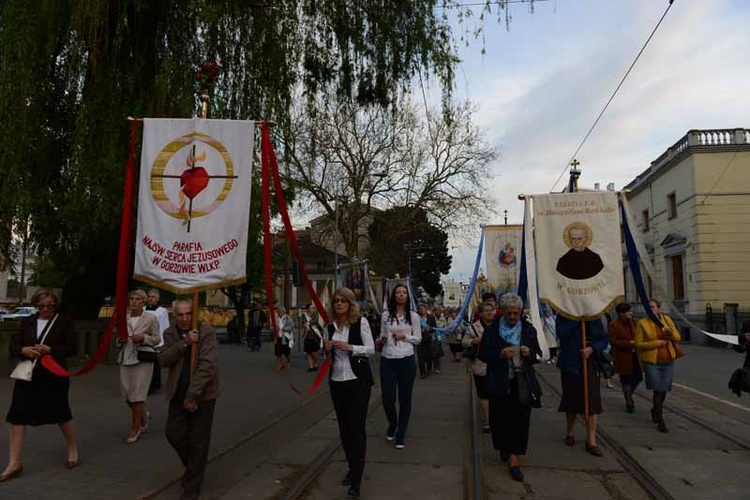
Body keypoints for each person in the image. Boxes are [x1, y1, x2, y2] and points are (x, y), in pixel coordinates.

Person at [1, 289, 78, 482]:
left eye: (49, 305)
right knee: (17, 415)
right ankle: (14, 462)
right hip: (28, 374)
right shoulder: (27, 321)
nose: (45, 309)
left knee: (61, 413)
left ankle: (72, 449)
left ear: (55, 305)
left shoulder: (64, 321)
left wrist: (50, 349)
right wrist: (24, 350)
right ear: (36, 305)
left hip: (54, 374)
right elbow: (14, 345)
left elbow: (72, 347)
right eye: (41, 305)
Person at [159, 299, 220, 500]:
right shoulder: (170, 333)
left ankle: (192, 486)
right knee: (174, 434)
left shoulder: (207, 332)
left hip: (202, 396)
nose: (184, 318)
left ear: (195, 314)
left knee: (198, 441)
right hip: (178, 394)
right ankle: (195, 467)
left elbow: (207, 366)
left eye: (188, 314)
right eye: (180, 315)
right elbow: (164, 359)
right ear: (174, 316)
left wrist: (193, 395)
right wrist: (185, 343)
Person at [478, 293, 541, 482]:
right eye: (509, 313)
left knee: (520, 420)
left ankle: (514, 459)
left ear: (521, 312)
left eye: (516, 313)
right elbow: (483, 354)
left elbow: (537, 354)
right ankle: (504, 447)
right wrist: (499, 353)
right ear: (502, 312)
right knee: (500, 419)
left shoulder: (528, 330)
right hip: (499, 381)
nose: (513, 317)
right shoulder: (492, 330)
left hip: (521, 381)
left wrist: (529, 353)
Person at [324, 288, 375, 498]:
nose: (339, 304)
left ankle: (356, 478)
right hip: (337, 381)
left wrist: (350, 347)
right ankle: (352, 466)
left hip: (358, 381)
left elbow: (371, 348)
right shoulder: (330, 326)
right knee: (344, 429)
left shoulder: (360, 322)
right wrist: (326, 347)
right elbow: (327, 355)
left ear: (350, 304)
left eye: (343, 301)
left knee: (356, 427)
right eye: (336, 301)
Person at [556, 314, 608, 457]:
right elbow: (561, 334)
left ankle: (591, 440)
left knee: (592, 400)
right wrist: (577, 320)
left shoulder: (594, 316)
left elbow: (603, 339)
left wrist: (592, 349)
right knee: (571, 397)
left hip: (589, 362)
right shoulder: (563, 314)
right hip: (570, 361)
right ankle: (570, 431)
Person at [379, 284, 421, 449]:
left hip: (406, 359)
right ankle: (393, 423)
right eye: (398, 292)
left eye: (404, 292)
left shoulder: (413, 316)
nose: (401, 295)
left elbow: (418, 338)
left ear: (408, 296)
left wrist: (405, 336)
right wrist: (382, 338)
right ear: (393, 295)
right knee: (388, 398)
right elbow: (382, 333)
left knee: (405, 398)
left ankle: (401, 432)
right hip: (388, 358)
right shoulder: (385, 315)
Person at [118, 289, 160, 444]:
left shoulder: (150, 318)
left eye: (137, 299)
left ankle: (135, 429)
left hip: (142, 359)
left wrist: (143, 338)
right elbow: (119, 336)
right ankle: (143, 414)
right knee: (127, 396)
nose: (134, 301)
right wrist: (120, 340)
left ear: (143, 302)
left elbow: (156, 339)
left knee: (137, 396)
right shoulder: (124, 317)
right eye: (132, 298)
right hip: (125, 357)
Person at [634, 299, 682, 433]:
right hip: (652, 362)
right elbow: (638, 344)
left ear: (658, 308)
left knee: (664, 389)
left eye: (653, 307)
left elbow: (678, 338)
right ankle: (661, 421)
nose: (651, 309)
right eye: (648, 307)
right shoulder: (642, 323)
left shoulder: (666, 320)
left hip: (667, 360)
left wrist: (670, 333)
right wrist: (656, 343)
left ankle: (655, 409)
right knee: (658, 390)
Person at [463, 302, 495, 433]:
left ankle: (496, 417)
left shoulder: (500, 325)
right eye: (486, 311)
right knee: (483, 393)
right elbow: (464, 342)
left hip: (496, 364)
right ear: (480, 313)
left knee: (496, 393)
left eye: (491, 310)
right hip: (480, 364)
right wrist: (473, 341)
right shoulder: (473, 327)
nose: (489, 313)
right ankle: (488, 420)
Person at [608, 302, 642, 413]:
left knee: (638, 378)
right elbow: (613, 341)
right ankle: (628, 401)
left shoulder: (634, 322)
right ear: (621, 313)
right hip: (623, 357)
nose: (630, 313)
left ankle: (629, 394)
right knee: (626, 380)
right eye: (628, 311)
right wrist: (629, 343)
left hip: (636, 356)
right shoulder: (614, 325)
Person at [145, 288, 170, 394]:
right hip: (145, 339)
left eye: (153, 297)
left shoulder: (162, 311)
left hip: (157, 340)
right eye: (149, 296)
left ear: (158, 298)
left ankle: (154, 384)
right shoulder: (143, 309)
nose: (150, 299)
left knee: (155, 364)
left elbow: (164, 327)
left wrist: (162, 343)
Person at [417, 304, 436, 378]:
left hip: (429, 339)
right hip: (420, 340)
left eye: (423, 308)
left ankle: (428, 369)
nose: (421, 310)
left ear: (426, 309)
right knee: (420, 357)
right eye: (420, 309)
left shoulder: (431, 317)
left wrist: (429, 329)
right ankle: (422, 373)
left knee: (429, 355)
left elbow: (434, 327)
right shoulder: (417, 318)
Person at [303, 304, 323, 372]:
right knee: (308, 352)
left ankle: (316, 363)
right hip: (307, 336)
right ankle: (311, 367)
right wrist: (305, 324)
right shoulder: (304, 315)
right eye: (311, 308)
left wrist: (308, 323)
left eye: (313, 308)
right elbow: (303, 322)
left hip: (315, 336)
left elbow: (315, 321)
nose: (313, 309)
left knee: (314, 351)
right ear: (308, 309)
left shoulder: (316, 315)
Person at [275, 306, 294, 370]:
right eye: (278, 311)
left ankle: (288, 362)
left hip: (285, 337)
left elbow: (292, 327)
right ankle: (280, 364)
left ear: (283, 311)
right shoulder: (277, 319)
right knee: (278, 352)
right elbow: (274, 327)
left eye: (280, 311)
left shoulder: (287, 318)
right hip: (278, 337)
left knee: (286, 352)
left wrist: (284, 328)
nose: (279, 312)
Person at [432, 306, 446, 374]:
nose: (438, 312)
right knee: (433, 353)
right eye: (436, 311)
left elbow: (445, 327)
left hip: (440, 338)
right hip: (433, 337)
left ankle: (438, 367)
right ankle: (435, 367)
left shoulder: (443, 319)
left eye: (439, 311)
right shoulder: (432, 318)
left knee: (437, 354)